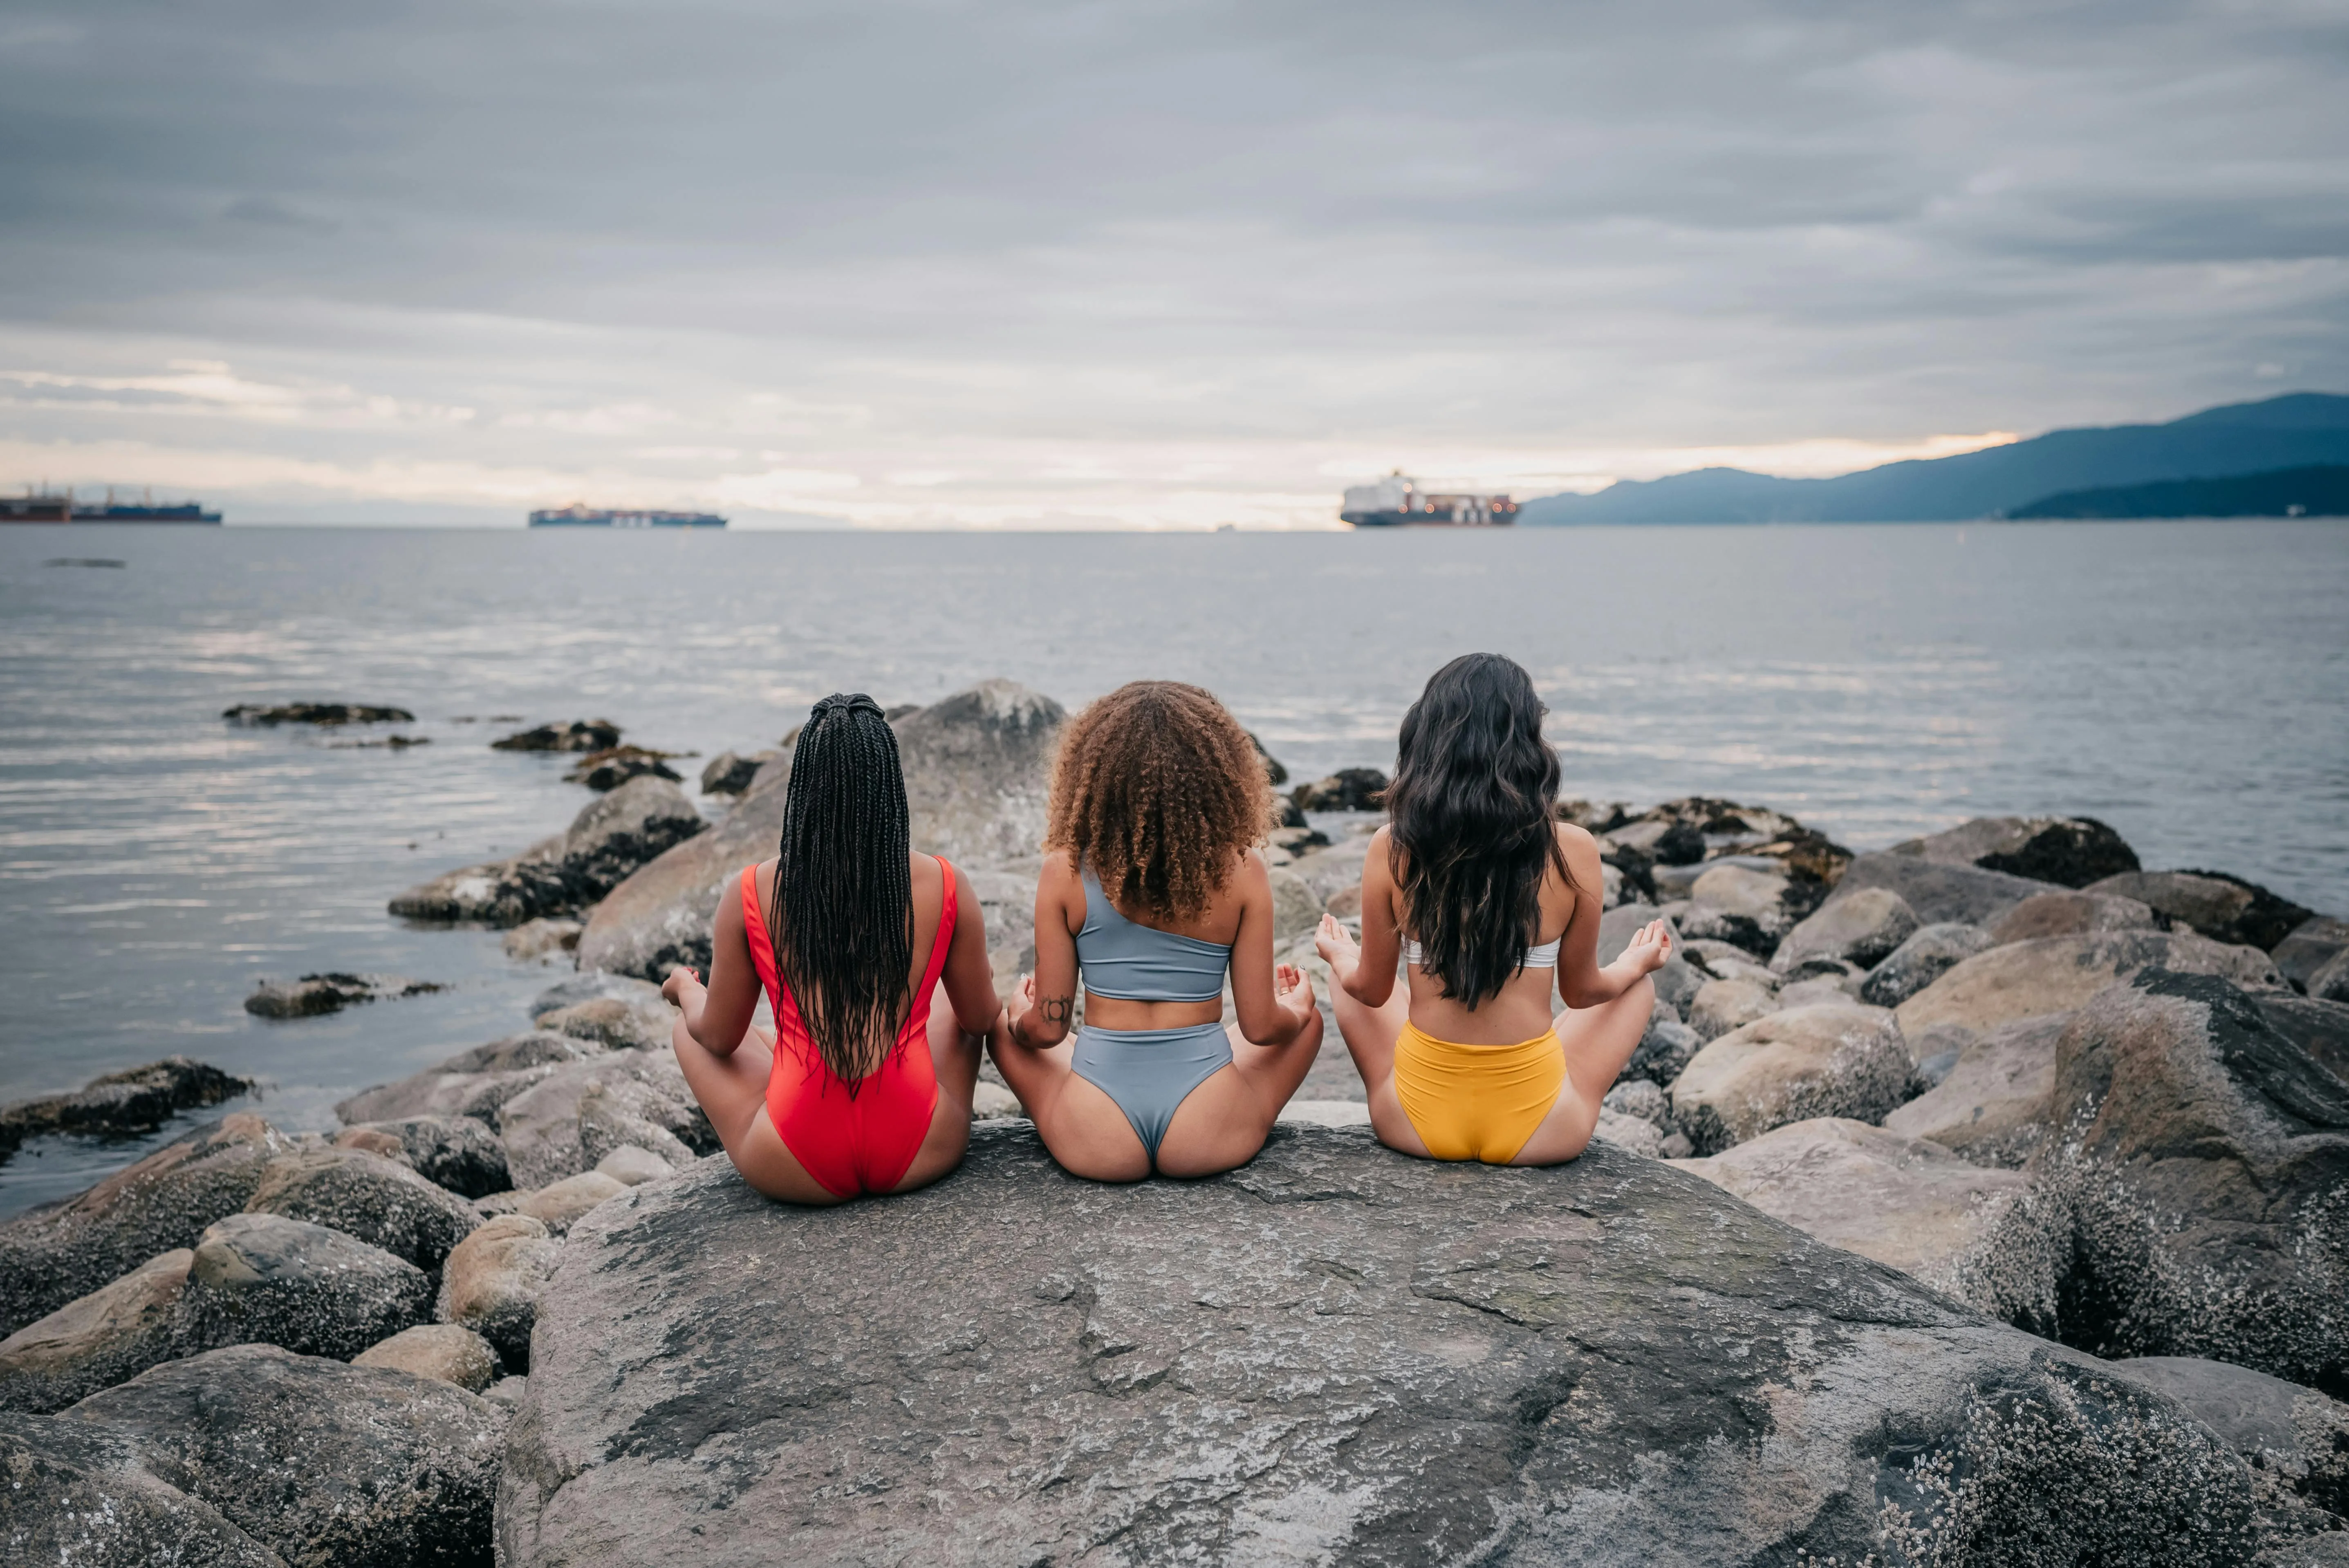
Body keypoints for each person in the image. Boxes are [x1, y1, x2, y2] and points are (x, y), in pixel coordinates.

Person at [1314, 653, 1673, 1166]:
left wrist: (1337, 955)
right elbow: (1582, 991)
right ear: (1530, 746)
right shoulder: (1573, 849)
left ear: (1426, 738)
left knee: (1344, 971)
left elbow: (1370, 990)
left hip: (1415, 1122)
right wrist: (1635, 964)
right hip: (1541, 1130)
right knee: (1637, 987)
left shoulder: (1391, 846)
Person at [661, 693, 999, 1204]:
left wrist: (686, 989)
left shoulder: (752, 889)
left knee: (689, 1032)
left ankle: (795, 1069)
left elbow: (719, 1037)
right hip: (919, 1149)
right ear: (889, 785)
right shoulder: (946, 883)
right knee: (959, 1002)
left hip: (795, 1158)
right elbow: (979, 1020)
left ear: (803, 788)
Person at [993, 681, 1323, 1181]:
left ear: (1092, 778)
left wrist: (1019, 1016)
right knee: (1310, 1022)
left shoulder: (1063, 871)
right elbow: (1260, 1027)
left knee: (999, 1028)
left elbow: (1048, 1030)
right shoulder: (1244, 870)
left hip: (1097, 1133)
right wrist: (1296, 1011)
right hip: (1207, 1129)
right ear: (1222, 779)